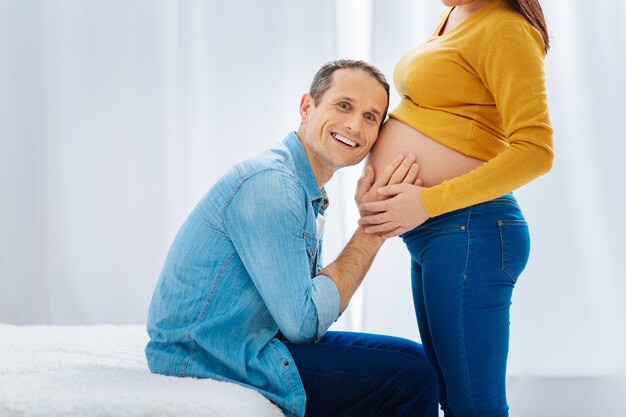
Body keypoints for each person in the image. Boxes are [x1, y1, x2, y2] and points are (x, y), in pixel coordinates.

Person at [145, 59, 438, 417]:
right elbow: (302, 324)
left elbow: (303, 312)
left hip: (249, 338)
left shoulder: (303, 188)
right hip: (209, 354)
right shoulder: (273, 184)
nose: (354, 126)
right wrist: (373, 228)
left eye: (370, 117)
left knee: (416, 358)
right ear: (306, 107)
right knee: (410, 379)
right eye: (344, 106)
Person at [358, 1, 553, 416]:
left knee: (474, 406)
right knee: (451, 395)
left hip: (470, 230)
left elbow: (536, 150)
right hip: (437, 232)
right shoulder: (457, 14)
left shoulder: (505, 29)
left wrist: (429, 200)